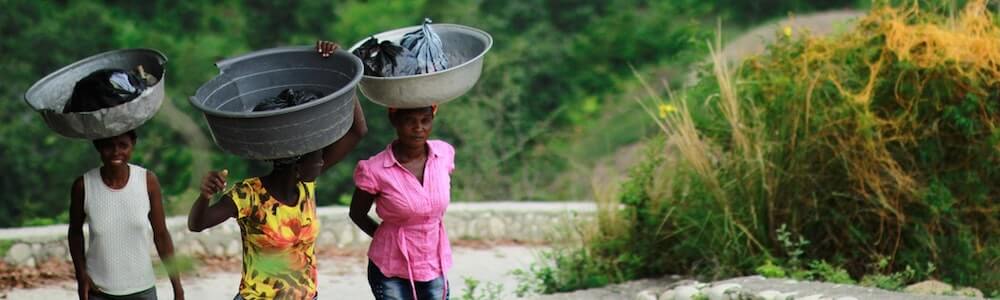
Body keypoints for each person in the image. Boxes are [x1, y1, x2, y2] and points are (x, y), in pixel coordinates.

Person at [187, 41, 367, 300]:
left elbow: (357, 131)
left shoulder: (305, 186)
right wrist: (205, 195)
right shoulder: (249, 195)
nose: (323, 161)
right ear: (296, 161)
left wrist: (341, 82)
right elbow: (197, 224)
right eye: (318, 154)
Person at [350, 105, 454, 300]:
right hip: (390, 270)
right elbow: (357, 214)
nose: (418, 128)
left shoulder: (444, 154)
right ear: (394, 121)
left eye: (425, 120)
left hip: (434, 264)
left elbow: (438, 198)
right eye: (409, 121)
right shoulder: (374, 170)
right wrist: (388, 239)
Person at [68, 130, 185, 300]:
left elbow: (161, 235)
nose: (116, 152)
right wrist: (81, 276)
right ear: (98, 146)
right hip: (98, 291)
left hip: (142, 290)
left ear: (133, 144)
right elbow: (75, 233)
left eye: (123, 145)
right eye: (109, 146)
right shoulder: (84, 186)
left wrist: (178, 288)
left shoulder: (147, 181)